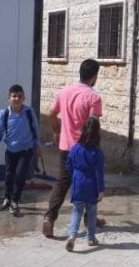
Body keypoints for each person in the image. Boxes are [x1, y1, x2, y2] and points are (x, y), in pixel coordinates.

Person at [43, 59, 103, 238]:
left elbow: (52, 114)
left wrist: (57, 131)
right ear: (94, 76)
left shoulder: (64, 91)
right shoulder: (94, 97)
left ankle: (49, 218)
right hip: (86, 149)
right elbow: (93, 124)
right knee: (90, 181)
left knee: (63, 183)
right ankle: (89, 218)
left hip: (66, 147)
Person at [0, 84, 42, 216]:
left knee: (20, 176)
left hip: (26, 150)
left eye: (20, 96)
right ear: (9, 98)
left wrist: (38, 146)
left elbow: (36, 130)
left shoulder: (29, 113)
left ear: (24, 98)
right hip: (10, 151)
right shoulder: (4, 114)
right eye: (14, 96)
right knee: (9, 175)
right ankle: (7, 198)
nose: (17, 99)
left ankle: (15, 201)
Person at [65, 116, 105, 252]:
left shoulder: (75, 148)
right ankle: (91, 237)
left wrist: (75, 176)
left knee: (77, 210)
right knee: (91, 212)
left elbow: (69, 165)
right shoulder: (97, 153)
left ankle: (72, 235)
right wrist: (101, 190)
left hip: (78, 183)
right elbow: (99, 173)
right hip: (91, 185)